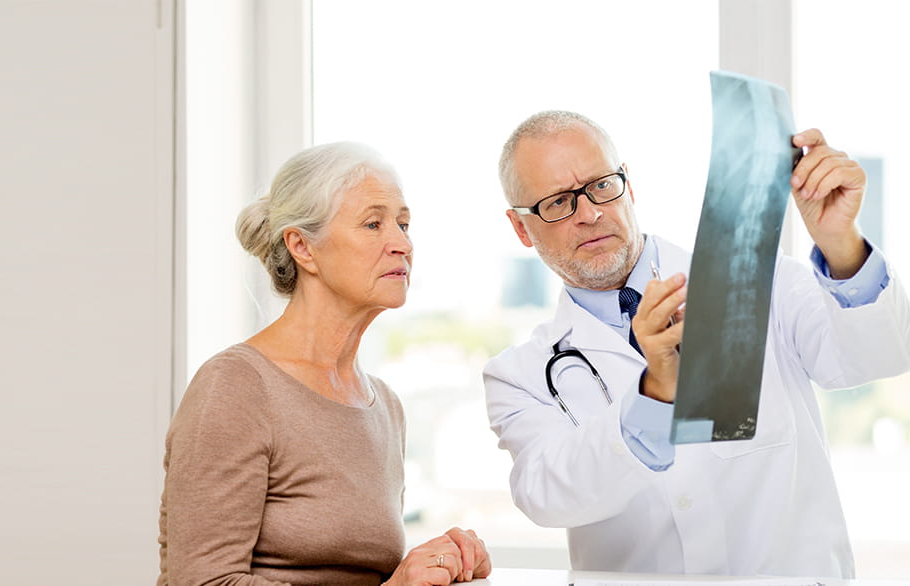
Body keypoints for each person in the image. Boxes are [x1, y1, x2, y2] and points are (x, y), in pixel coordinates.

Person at [483, 110, 910, 578]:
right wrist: (654, 393)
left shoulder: (760, 280)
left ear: (628, 185)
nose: (590, 213)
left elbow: (879, 355)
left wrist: (841, 242)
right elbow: (548, 497)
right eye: (559, 202)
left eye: (602, 185)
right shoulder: (517, 376)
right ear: (521, 227)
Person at [158, 142, 493, 586]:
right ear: (302, 247)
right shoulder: (236, 386)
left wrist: (440, 564)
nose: (402, 244)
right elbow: (202, 582)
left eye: (404, 224)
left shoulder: (385, 406)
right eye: (373, 224)